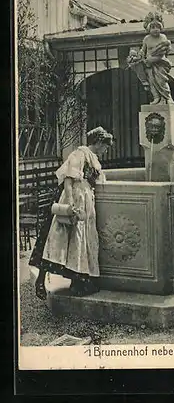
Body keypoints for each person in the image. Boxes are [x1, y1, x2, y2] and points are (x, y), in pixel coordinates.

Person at [29, 126, 114, 299]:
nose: (106, 150)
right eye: (105, 146)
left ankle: (77, 281)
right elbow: (68, 180)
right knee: (57, 240)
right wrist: (71, 203)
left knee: (78, 241)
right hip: (74, 198)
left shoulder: (93, 159)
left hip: (86, 200)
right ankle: (41, 281)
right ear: (97, 142)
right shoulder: (79, 154)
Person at [127, 12, 174, 105]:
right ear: (148, 28)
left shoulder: (163, 37)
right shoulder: (146, 39)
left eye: (157, 27)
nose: (155, 29)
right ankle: (156, 97)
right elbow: (143, 50)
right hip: (149, 64)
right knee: (151, 82)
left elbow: (163, 51)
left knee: (161, 81)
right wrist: (137, 57)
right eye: (153, 27)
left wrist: (153, 58)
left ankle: (167, 98)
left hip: (160, 63)